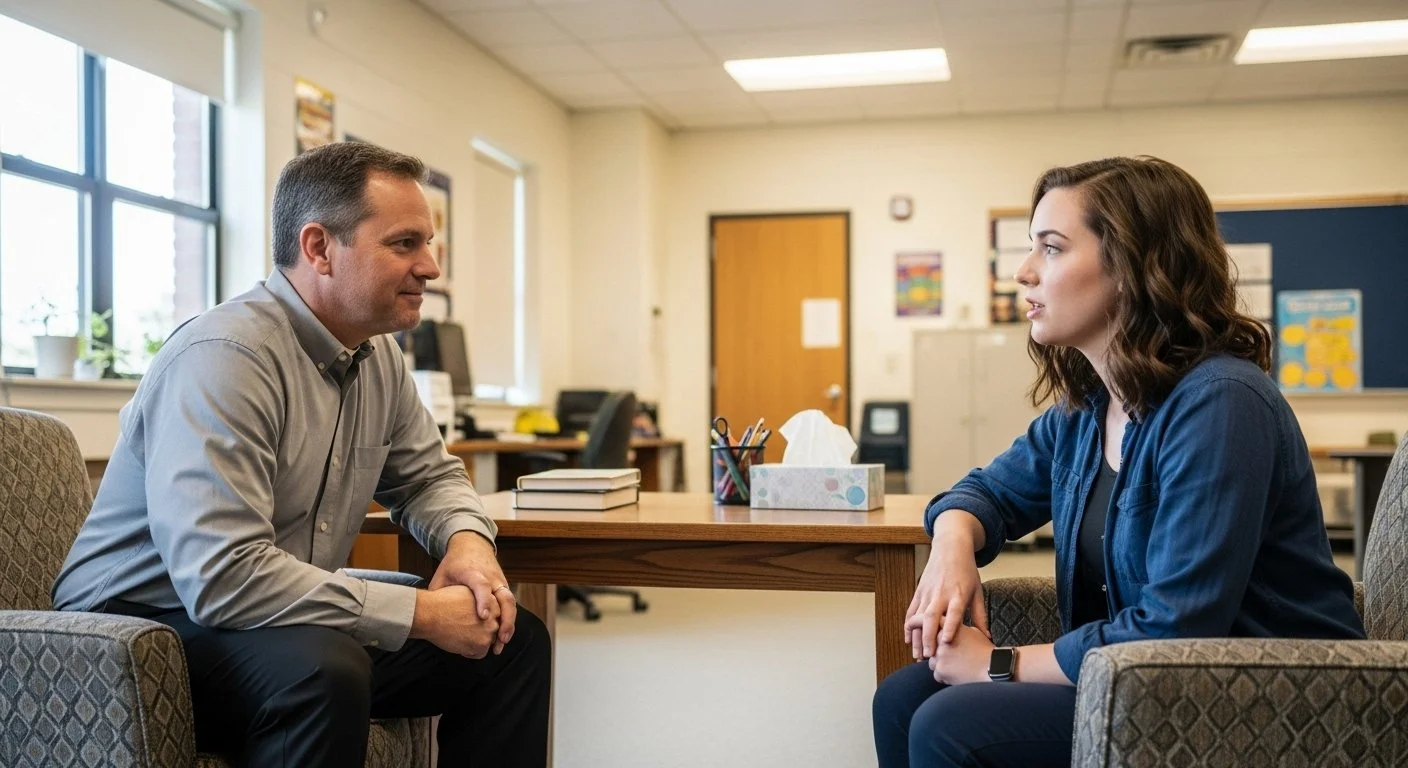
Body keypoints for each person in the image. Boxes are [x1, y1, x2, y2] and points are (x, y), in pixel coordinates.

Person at [53, 141, 550, 767]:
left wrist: (468, 545)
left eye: (429, 244)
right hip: (139, 624)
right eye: (404, 244)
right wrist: (421, 612)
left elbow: (429, 478)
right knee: (322, 670)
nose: (430, 268)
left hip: (265, 607)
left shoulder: (380, 358)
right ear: (318, 248)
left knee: (509, 640)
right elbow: (221, 577)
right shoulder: (226, 357)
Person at [873, 156, 1365, 768]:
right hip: (1144, 680)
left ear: (1134, 266)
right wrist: (951, 547)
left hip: (1263, 695)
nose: (1024, 273)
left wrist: (996, 665)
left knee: (952, 723)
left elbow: (1176, 627)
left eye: (1051, 249)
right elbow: (985, 494)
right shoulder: (1088, 411)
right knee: (901, 699)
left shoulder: (1222, 403)